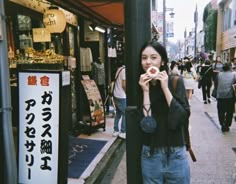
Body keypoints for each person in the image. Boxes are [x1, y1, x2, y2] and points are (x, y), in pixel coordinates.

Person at [138, 41, 191, 183]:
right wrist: (145, 91)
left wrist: (165, 88)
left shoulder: (175, 81)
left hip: (176, 154)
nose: (148, 62)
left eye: (153, 57)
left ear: (163, 61)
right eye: (144, 58)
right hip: (151, 154)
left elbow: (181, 117)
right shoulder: (141, 85)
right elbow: (147, 124)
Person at [216, 62, 236, 132]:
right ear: (230, 67)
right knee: (229, 111)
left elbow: (216, 84)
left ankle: (222, 123)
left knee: (220, 111)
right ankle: (227, 124)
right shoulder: (234, 74)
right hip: (230, 96)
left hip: (220, 95)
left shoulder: (219, 74)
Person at [112, 61, 126, 139]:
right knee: (125, 113)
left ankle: (116, 130)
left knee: (118, 113)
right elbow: (124, 85)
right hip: (121, 95)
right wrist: (127, 93)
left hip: (116, 94)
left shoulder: (119, 69)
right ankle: (123, 132)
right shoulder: (124, 70)